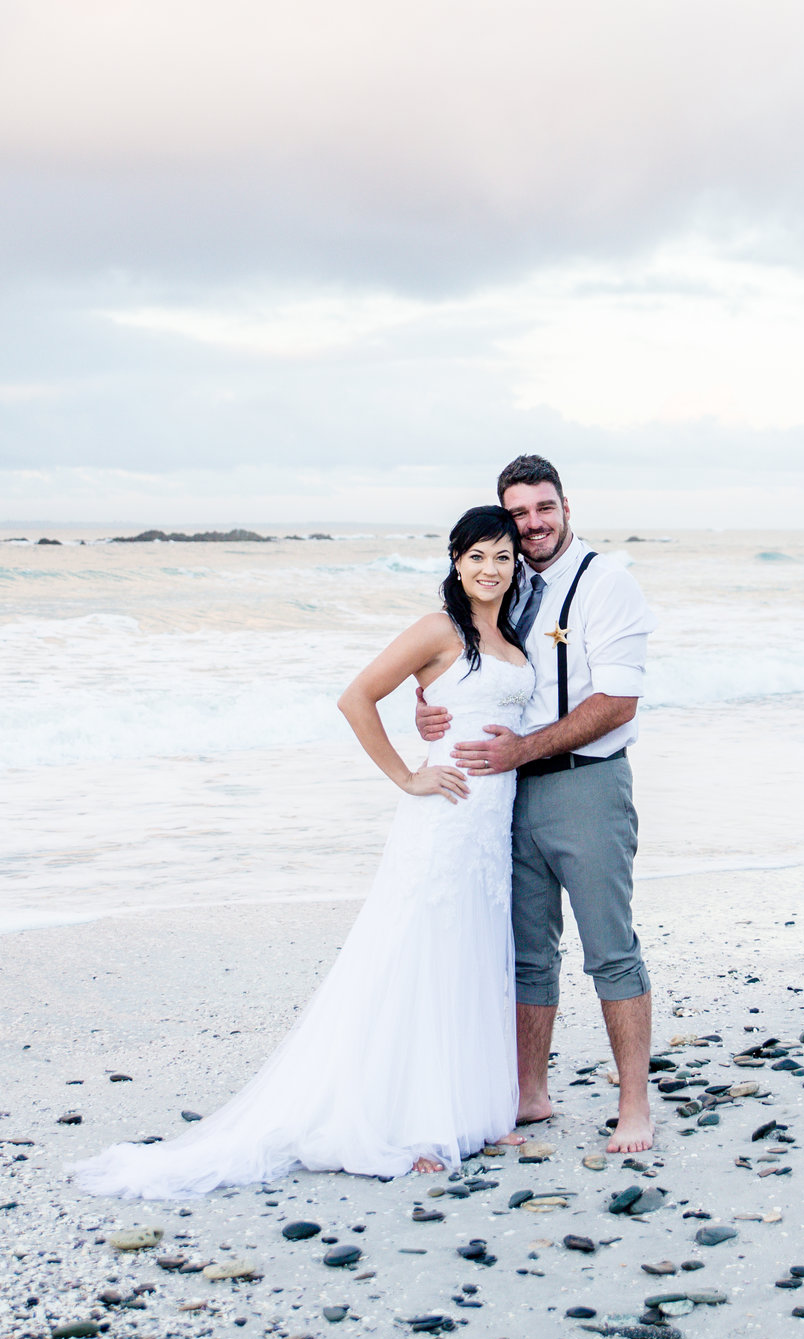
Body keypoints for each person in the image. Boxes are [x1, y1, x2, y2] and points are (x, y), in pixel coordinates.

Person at [69, 506, 535, 1199]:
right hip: (442, 820)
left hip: (490, 827)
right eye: (476, 557)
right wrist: (408, 774)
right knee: (418, 958)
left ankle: (471, 1112)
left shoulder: (512, 636)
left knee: (468, 955)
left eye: (501, 556)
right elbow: (354, 698)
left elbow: (488, 708)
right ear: (455, 563)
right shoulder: (439, 629)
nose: (490, 569)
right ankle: (412, 1126)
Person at [414, 455, 659, 1153]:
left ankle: (634, 1105)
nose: (532, 524)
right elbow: (463, 673)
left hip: (586, 784)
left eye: (542, 508)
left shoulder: (608, 584)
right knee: (528, 953)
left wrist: (523, 749)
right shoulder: (506, 588)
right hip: (506, 794)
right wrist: (430, 715)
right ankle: (529, 1094)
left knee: (610, 949)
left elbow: (617, 700)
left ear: (567, 506)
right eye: (517, 513)